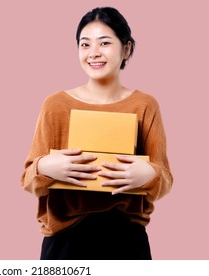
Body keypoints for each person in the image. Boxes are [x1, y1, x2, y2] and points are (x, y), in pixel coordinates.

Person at [21, 7, 173, 260]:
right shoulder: (55, 104)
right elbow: (28, 179)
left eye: (104, 43)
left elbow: (165, 179)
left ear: (126, 49)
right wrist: (44, 167)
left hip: (127, 239)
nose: (93, 53)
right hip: (64, 240)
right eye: (85, 44)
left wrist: (149, 175)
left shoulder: (145, 105)